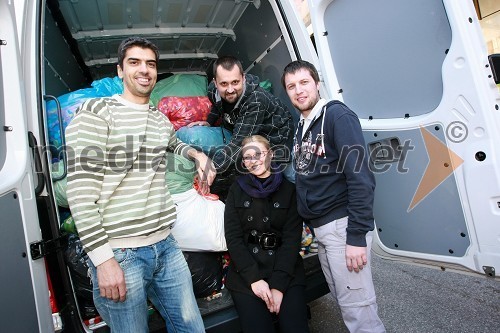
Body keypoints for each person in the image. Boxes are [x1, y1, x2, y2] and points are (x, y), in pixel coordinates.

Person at [65, 37, 215, 333]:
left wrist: (197, 154)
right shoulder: (98, 112)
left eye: (150, 64)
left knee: (192, 329)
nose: (144, 70)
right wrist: (103, 261)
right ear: (120, 70)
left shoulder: (158, 119)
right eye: (134, 62)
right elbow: (80, 195)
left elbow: (173, 143)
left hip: (167, 247)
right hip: (122, 255)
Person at [282, 60, 386, 333]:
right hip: (324, 231)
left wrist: (356, 238)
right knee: (346, 304)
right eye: (291, 86)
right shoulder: (304, 124)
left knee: (360, 312)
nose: (299, 91)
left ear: (317, 84)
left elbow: (361, 178)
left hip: (343, 228)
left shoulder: (337, 117)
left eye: (304, 83)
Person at [223, 135, 309, 333]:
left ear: (270, 154)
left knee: (295, 327)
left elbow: (291, 241)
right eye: (248, 157)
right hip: (247, 273)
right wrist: (253, 279)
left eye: (258, 154)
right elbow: (233, 238)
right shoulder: (236, 189)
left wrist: (278, 286)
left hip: (285, 270)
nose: (254, 161)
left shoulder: (289, 190)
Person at [189, 56, 294, 176]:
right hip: (247, 128)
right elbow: (217, 105)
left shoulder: (255, 100)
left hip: (277, 132)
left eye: (235, 82)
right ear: (215, 83)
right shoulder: (212, 90)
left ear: (243, 78)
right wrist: (209, 122)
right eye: (224, 84)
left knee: (280, 173)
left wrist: (209, 169)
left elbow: (238, 143)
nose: (230, 90)